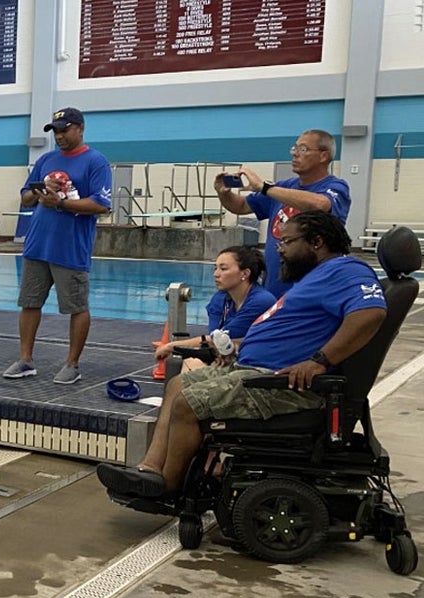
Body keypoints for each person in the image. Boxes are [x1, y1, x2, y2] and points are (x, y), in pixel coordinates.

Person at [98, 211, 386, 498]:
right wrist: (239, 347)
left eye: (286, 241)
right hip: (254, 370)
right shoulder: (319, 276)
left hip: (280, 384)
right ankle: (150, 470)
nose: (279, 249)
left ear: (317, 242)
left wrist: (319, 361)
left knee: (188, 403)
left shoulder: (346, 270)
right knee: (177, 385)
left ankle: (169, 488)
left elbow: (370, 313)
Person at [3, 107, 113, 385]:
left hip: (70, 248)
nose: (60, 136)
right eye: (56, 131)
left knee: (76, 307)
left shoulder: (95, 162)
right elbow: (26, 195)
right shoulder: (46, 159)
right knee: (29, 303)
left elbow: (101, 204)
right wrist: (38, 193)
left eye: (64, 130)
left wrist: (61, 203)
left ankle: (72, 364)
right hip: (37, 245)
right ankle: (25, 359)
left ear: (80, 128)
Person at [214, 128, 350, 297]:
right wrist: (223, 193)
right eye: (294, 148)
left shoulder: (336, 187)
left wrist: (264, 187)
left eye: (303, 149)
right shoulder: (283, 186)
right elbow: (241, 206)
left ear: (323, 156)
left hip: (312, 292)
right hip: (274, 289)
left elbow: (320, 204)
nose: (295, 154)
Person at [153, 245, 277, 372]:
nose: (216, 274)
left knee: (194, 365)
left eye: (223, 269)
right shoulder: (220, 299)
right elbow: (215, 339)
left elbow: (220, 340)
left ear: (245, 273)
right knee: (191, 363)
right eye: (215, 268)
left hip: (258, 363)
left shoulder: (261, 301)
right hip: (228, 356)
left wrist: (171, 346)